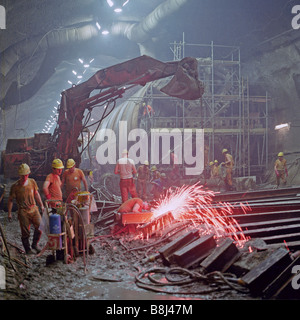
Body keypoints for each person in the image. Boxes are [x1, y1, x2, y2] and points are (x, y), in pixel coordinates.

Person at [7, 164, 44, 254]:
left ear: (29, 174)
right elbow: (10, 200)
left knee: (40, 227)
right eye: (23, 175)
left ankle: (35, 244)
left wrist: (41, 205)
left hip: (34, 208)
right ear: (19, 175)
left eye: (26, 175)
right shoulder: (15, 186)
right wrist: (9, 213)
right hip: (23, 211)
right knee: (25, 232)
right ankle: (28, 249)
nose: (24, 177)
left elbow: (36, 194)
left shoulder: (32, 182)